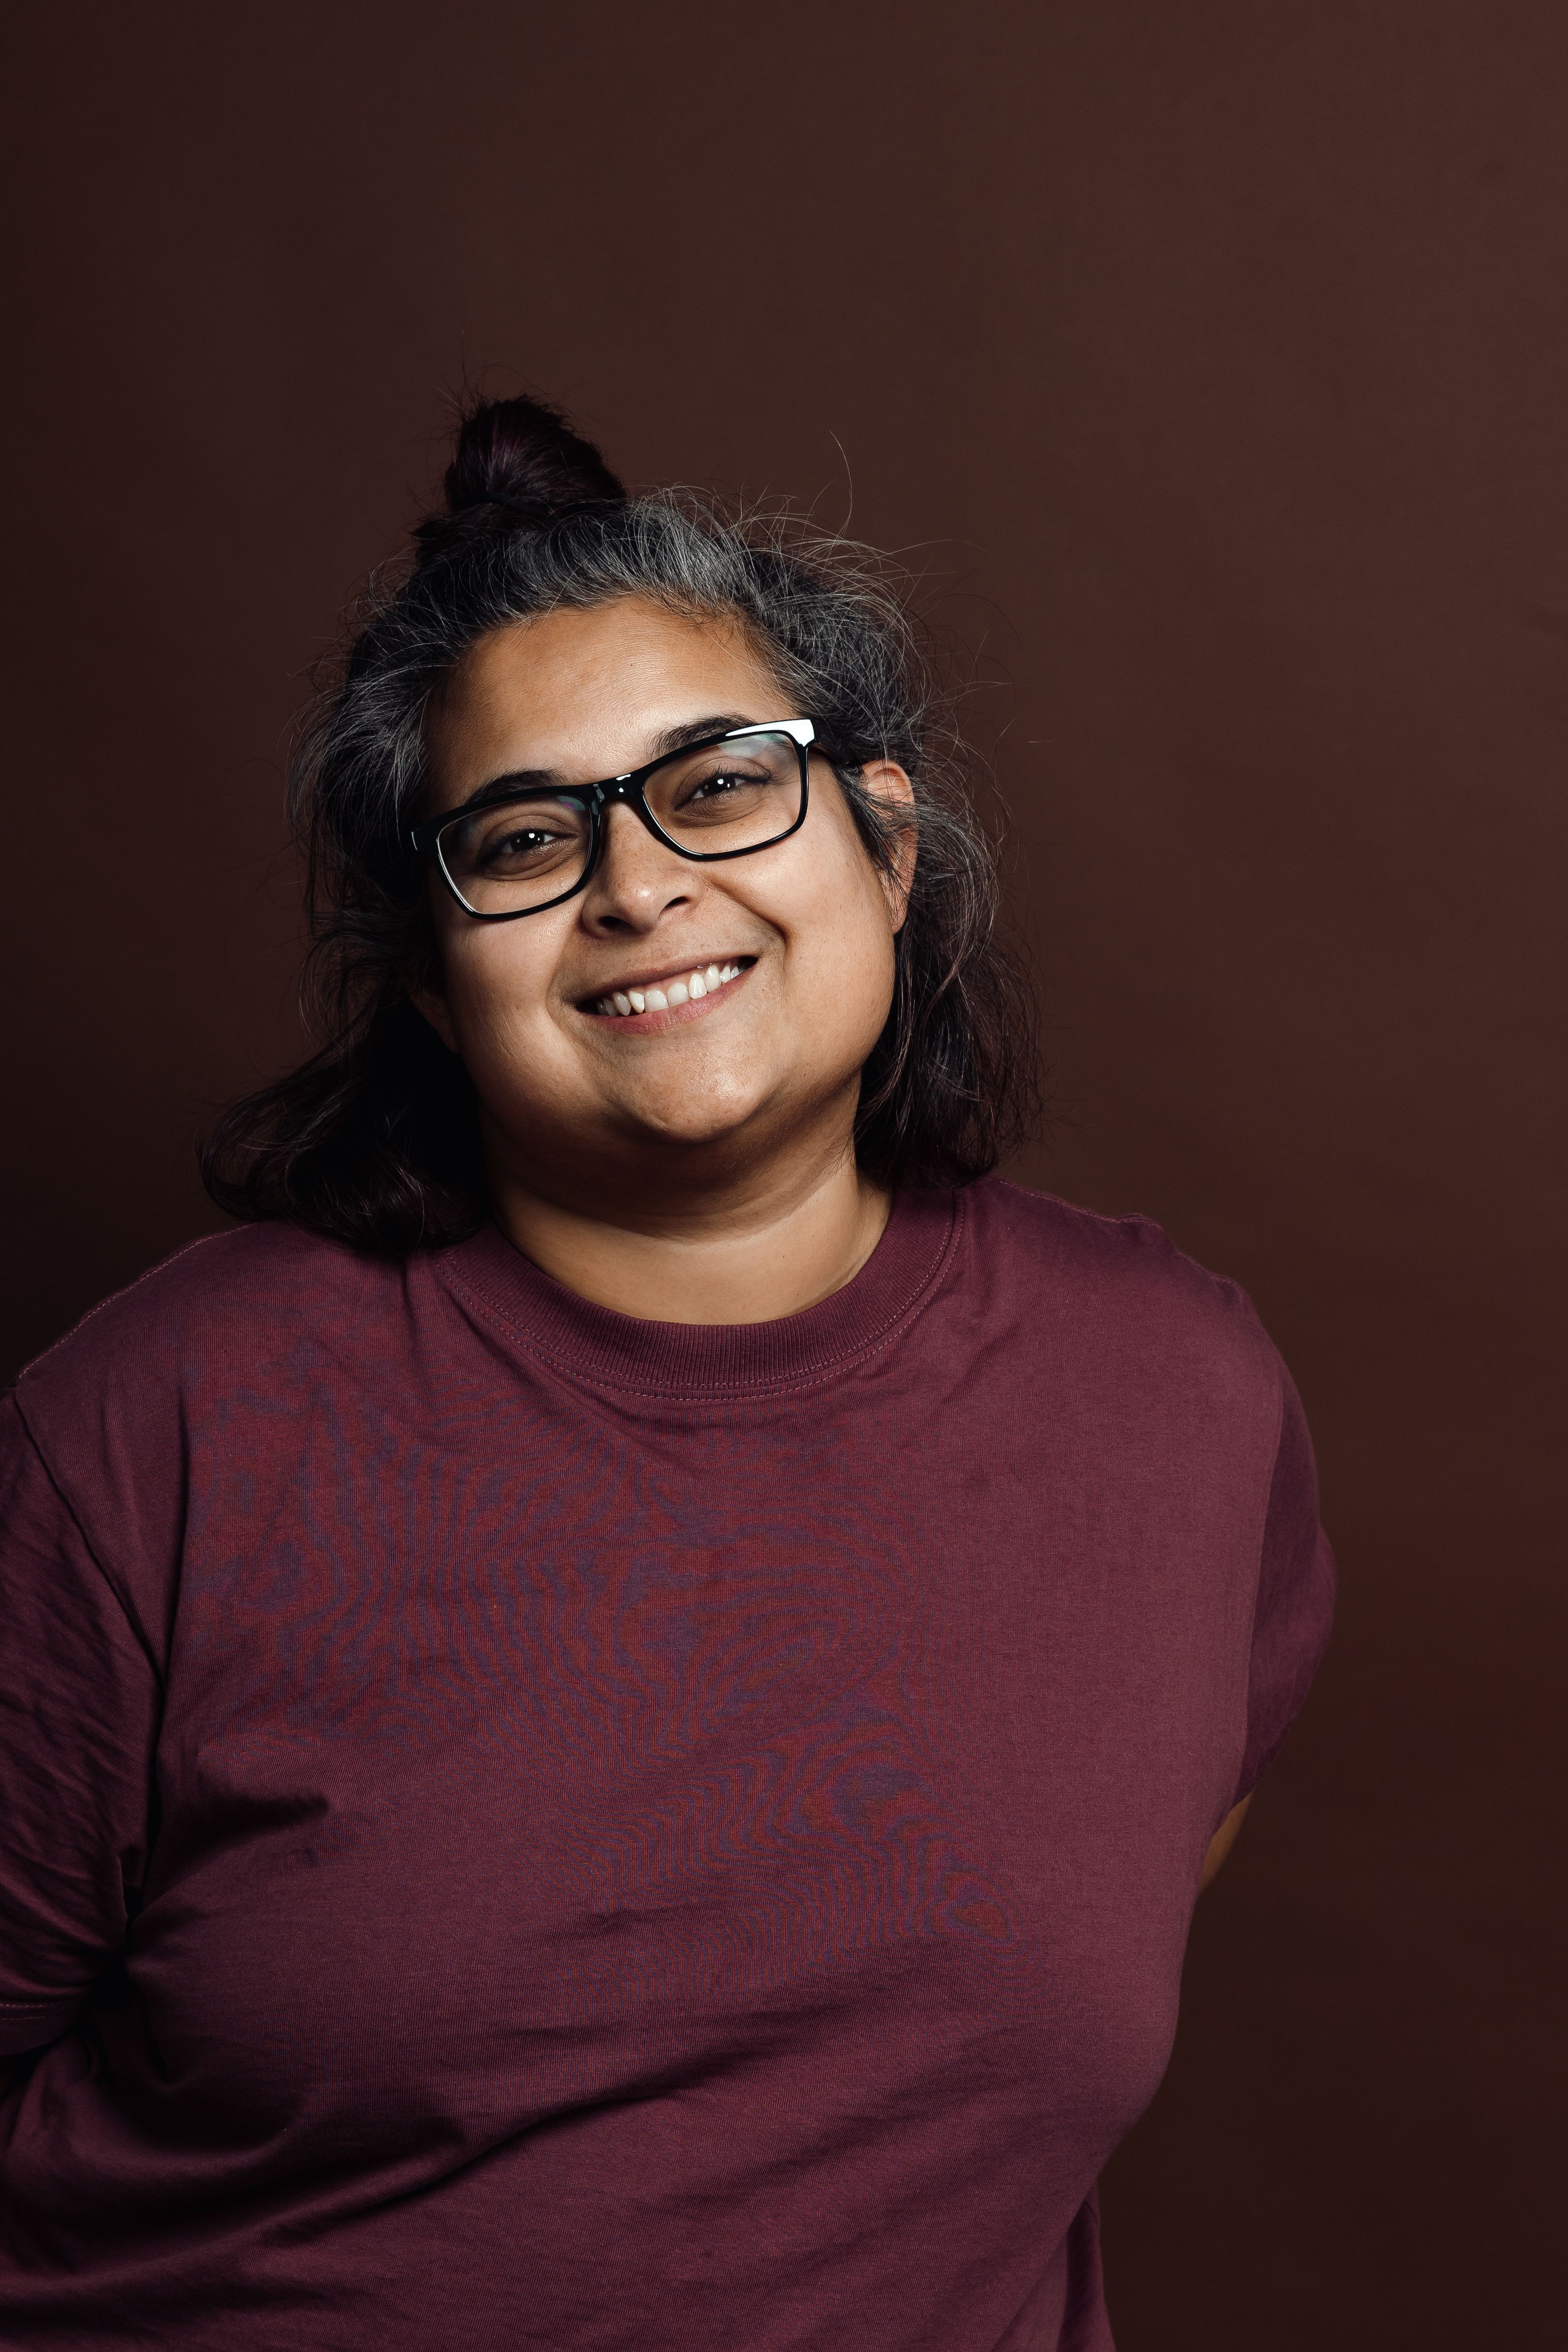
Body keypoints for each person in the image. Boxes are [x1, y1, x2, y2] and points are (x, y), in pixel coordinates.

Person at [0, 395, 1334, 2352]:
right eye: (527, 838)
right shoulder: (162, 1429)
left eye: (716, 786)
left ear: (886, 845)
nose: (635, 886)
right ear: (436, 980)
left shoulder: (1175, 1396)